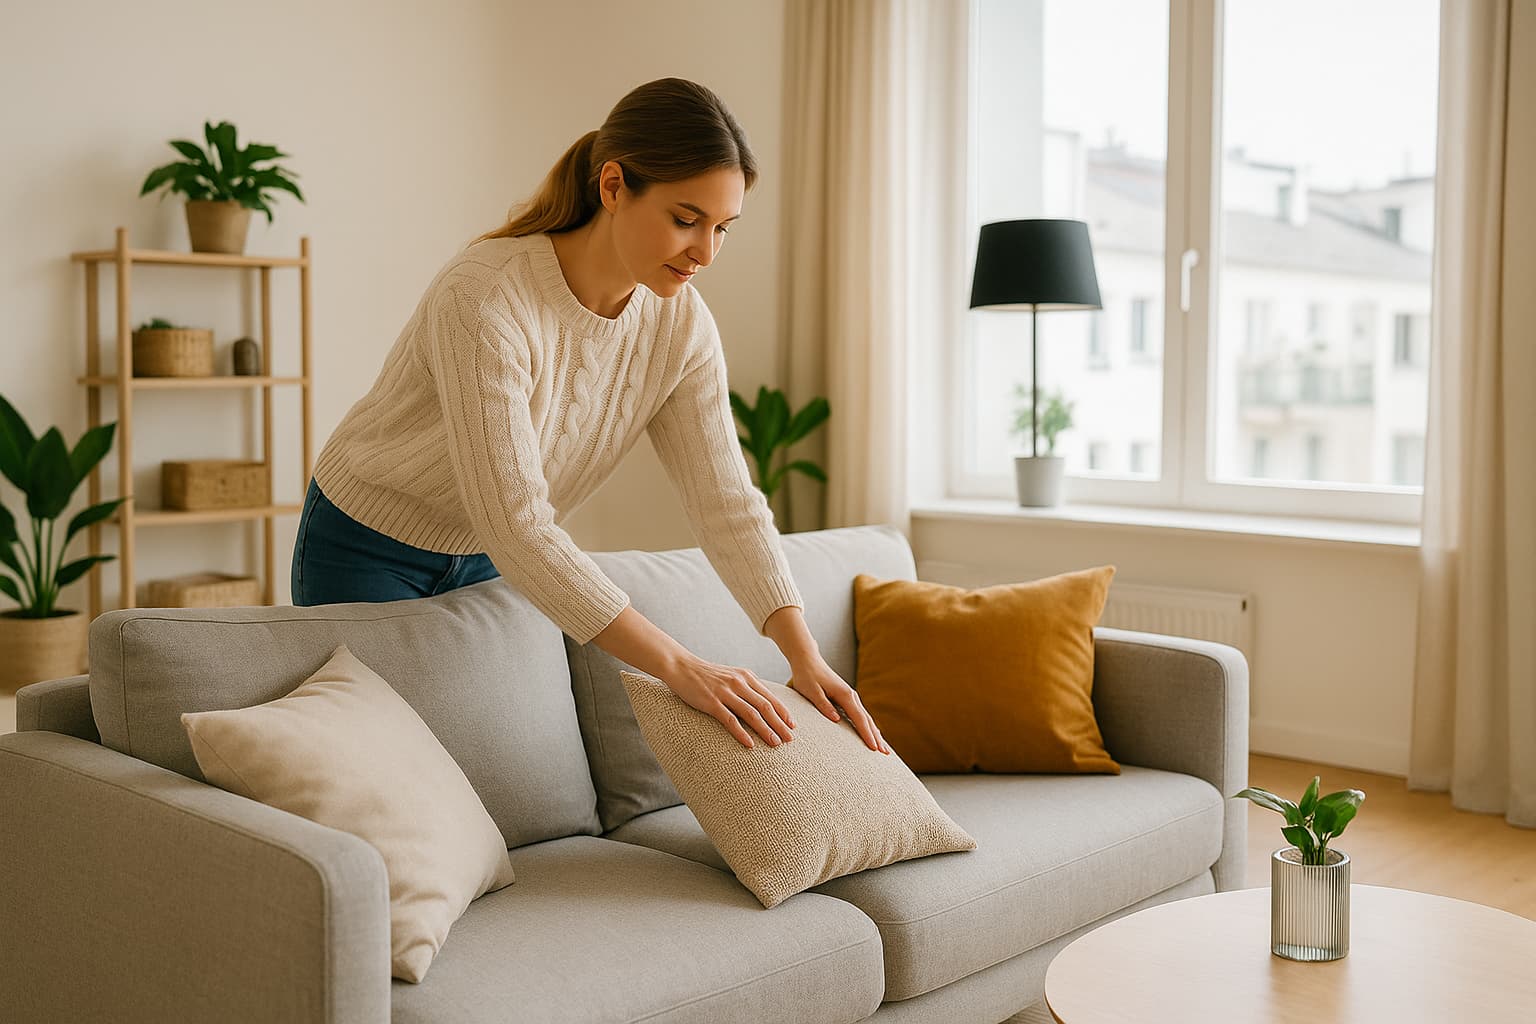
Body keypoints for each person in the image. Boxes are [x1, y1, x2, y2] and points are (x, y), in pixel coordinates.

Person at [292, 77, 889, 756]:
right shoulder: (485, 295)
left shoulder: (680, 326)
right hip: (368, 538)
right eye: (685, 218)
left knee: (482, 765)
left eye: (723, 227)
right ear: (612, 187)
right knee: (376, 764)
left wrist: (802, 653)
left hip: (489, 556)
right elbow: (516, 521)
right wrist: (677, 664)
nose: (706, 252)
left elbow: (725, 500)